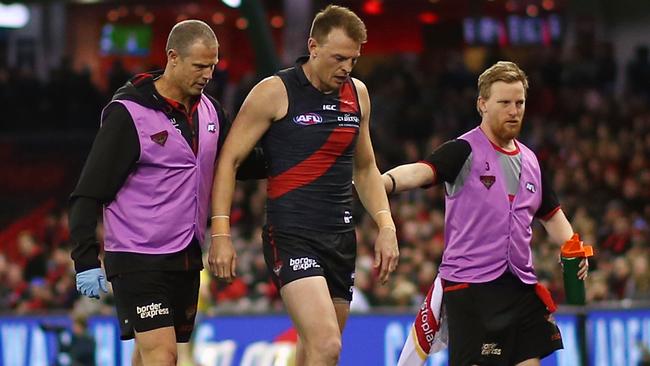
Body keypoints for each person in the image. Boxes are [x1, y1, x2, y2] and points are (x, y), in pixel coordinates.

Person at [209, 5, 399, 365]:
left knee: (314, 351)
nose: (346, 68)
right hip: (291, 234)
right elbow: (229, 161)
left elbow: (366, 166)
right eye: (339, 57)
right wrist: (220, 234)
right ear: (313, 46)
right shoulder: (275, 92)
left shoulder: (357, 94)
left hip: (340, 239)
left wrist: (386, 225)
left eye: (354, 60)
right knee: (327, 344)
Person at [69, 20, 264, 366]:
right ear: (173, 57)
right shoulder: (129, 115)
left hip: (186, 254)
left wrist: (296, 153)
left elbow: (243, 163)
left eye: (213, 66)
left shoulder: (211, 112)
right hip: (137, 255)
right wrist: (85, 259)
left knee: (147, 357)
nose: (208, 75)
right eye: (200, 66)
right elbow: (88, 191)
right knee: (163, 356)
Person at [384, 61, 589, 366]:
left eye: (519, 102)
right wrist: (383, 183)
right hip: (472, 289)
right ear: (482, 104)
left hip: (521, 286)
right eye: (504, 102)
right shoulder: (462, 150)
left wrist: (573, 248)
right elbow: (420, 172)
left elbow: (552, 215)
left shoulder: (531, 161)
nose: (514, 110)